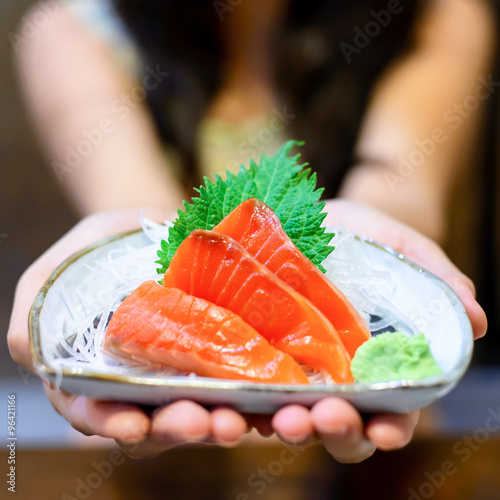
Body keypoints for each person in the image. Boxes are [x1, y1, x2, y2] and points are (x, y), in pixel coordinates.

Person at [8, 0, 492, 462]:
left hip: (381, 457)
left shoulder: (435, 15)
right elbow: (139, 210)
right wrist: (117, 238)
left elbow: (397, 183)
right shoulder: (67, 28)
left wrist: (378, 227)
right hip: (155, 456)